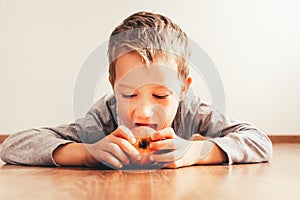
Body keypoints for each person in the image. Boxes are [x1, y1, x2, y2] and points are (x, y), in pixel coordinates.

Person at [0, 11, 272, 169]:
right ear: (113, 86)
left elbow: (259, 142)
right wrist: (86, 152)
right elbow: (13, 146)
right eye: (128, 94)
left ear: (182, 89)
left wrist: (194, 153)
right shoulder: (104, 116)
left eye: (160, 96)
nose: (142, 111)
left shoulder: (191, 109)